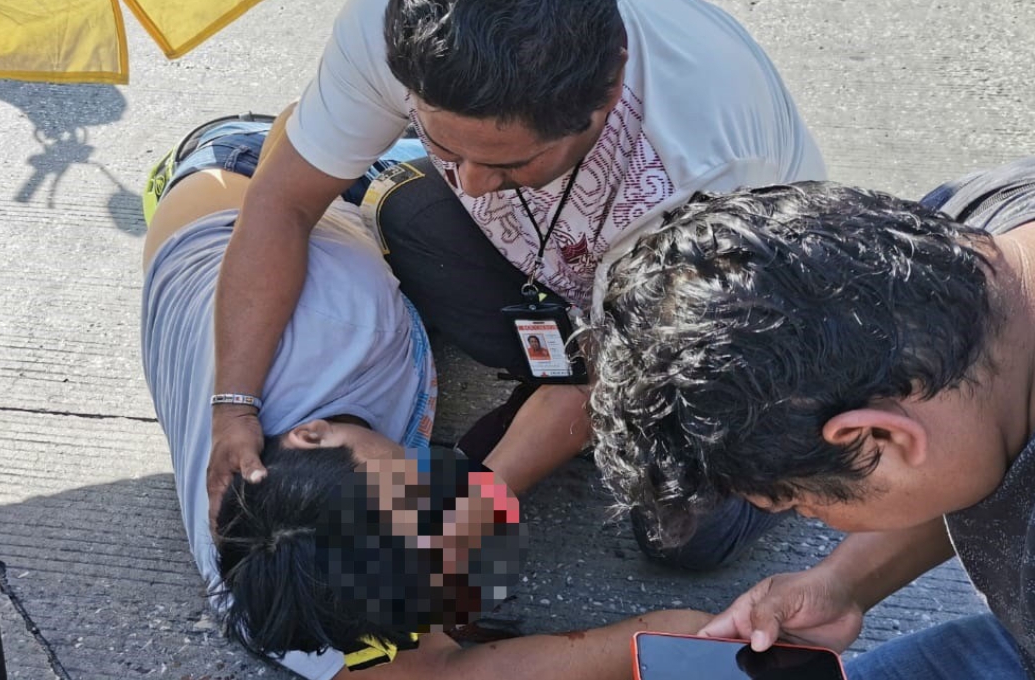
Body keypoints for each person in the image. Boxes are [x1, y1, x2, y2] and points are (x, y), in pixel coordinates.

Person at [206, 0, 828, 571]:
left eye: (509, 163)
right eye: (444, 145)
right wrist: (233, 406)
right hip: (594, 275)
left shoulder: (700, 165)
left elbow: (599, 381)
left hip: (736, 310)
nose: (471, 185)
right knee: (410, 212)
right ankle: (548, 373)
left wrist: (479, 503)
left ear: (609, 89)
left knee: (688, 535)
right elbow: (280, 203)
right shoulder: (395, 22)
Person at [141, 118, 710, 680]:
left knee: (507, 187)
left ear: (312, 434)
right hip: (227, 267)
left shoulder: (345, 319)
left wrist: (487, 492)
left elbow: (594, 382)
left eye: (419, 497)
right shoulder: (271, 577)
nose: (443, 512)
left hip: (247, 171)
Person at [590, 159, 1035, 679]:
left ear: (876, 434)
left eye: (802, 503)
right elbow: (968, 448)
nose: (808, 515)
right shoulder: (968, 235)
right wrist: (844, 583)